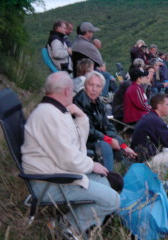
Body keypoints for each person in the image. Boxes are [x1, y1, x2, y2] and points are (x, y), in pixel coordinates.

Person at [21, 71, 119, 238]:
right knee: (113, 200)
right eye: (73, 91)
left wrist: (81, 116)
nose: (74, 94)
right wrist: (91, 165)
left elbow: (76, 145)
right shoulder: (50, 115)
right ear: (67, 91)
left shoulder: (56, 111)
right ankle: (61, 226)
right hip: (49, 182)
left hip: (59, 172)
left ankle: (83, 228)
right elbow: (69, 159)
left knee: (109, 182)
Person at [73, 71, 137, 171]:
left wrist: (122, 145)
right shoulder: (79, 101)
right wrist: (109, 140)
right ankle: (108, 178)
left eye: (98, 86)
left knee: (122, 149)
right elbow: (88, 130)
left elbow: (107, 126)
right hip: (83, 140)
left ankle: (128, 176)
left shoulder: (98, 102)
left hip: (98, 138)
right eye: (91, 85)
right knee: (105, 146)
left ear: (102, 89)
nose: (94, 89)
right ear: (85, 86)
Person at [131, 93, 168, 166]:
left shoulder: (151, 116)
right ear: (159, 106)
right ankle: (150, 165)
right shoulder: (155, 120)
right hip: (144, 159)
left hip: (140, 154)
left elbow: (165, 138)